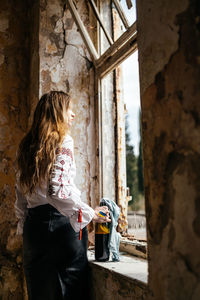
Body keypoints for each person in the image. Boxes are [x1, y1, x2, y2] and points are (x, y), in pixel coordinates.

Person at [14, 91, 110, 300]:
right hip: (62, 228)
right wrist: (90, 212)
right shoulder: (63, 141)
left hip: (34, 229)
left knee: (39, 294)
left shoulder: (25, 146)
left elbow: (20, 193)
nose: (73, 114)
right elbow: (57, 190)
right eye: (69, 109)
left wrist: (25, 226)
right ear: (58, 113)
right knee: (71, 294)